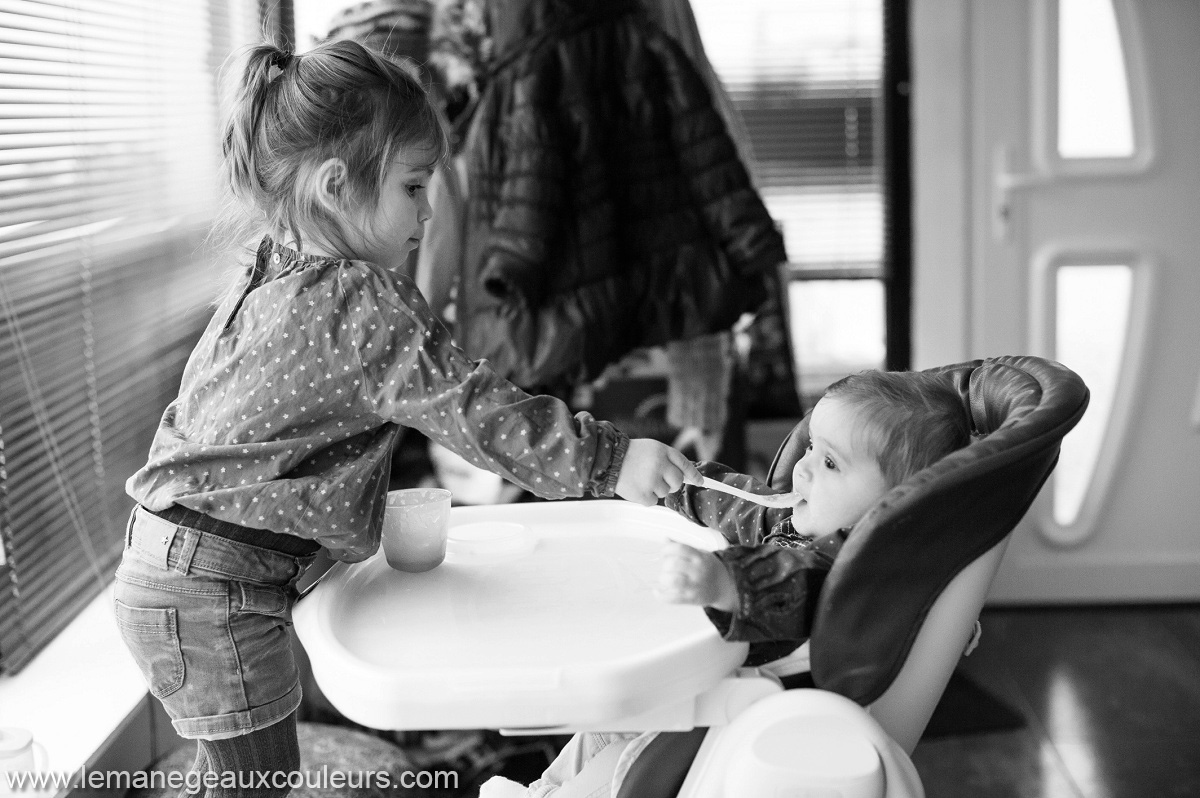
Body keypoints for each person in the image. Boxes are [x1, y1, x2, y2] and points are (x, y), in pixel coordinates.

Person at [113, 38, 701, 797]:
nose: (429, 212)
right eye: (414, 187)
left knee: (230, 779)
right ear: (334, 186)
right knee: (255, 786)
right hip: (212, 590)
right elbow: (477, 412)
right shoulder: (360, 303)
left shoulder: (269, 268)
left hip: (166, 567)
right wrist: (614, 462)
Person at [481, 368, 972, 798]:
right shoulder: (799, 524)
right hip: (696, 692)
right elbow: (739, 504)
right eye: (811, 448)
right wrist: (678, 485)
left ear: (897, 504)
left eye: (829, 463)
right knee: (596, 729)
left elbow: (803, 590)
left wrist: (727, 581)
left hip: (730, 725)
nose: (801, 468)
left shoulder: (858, 572)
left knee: (614, 770)